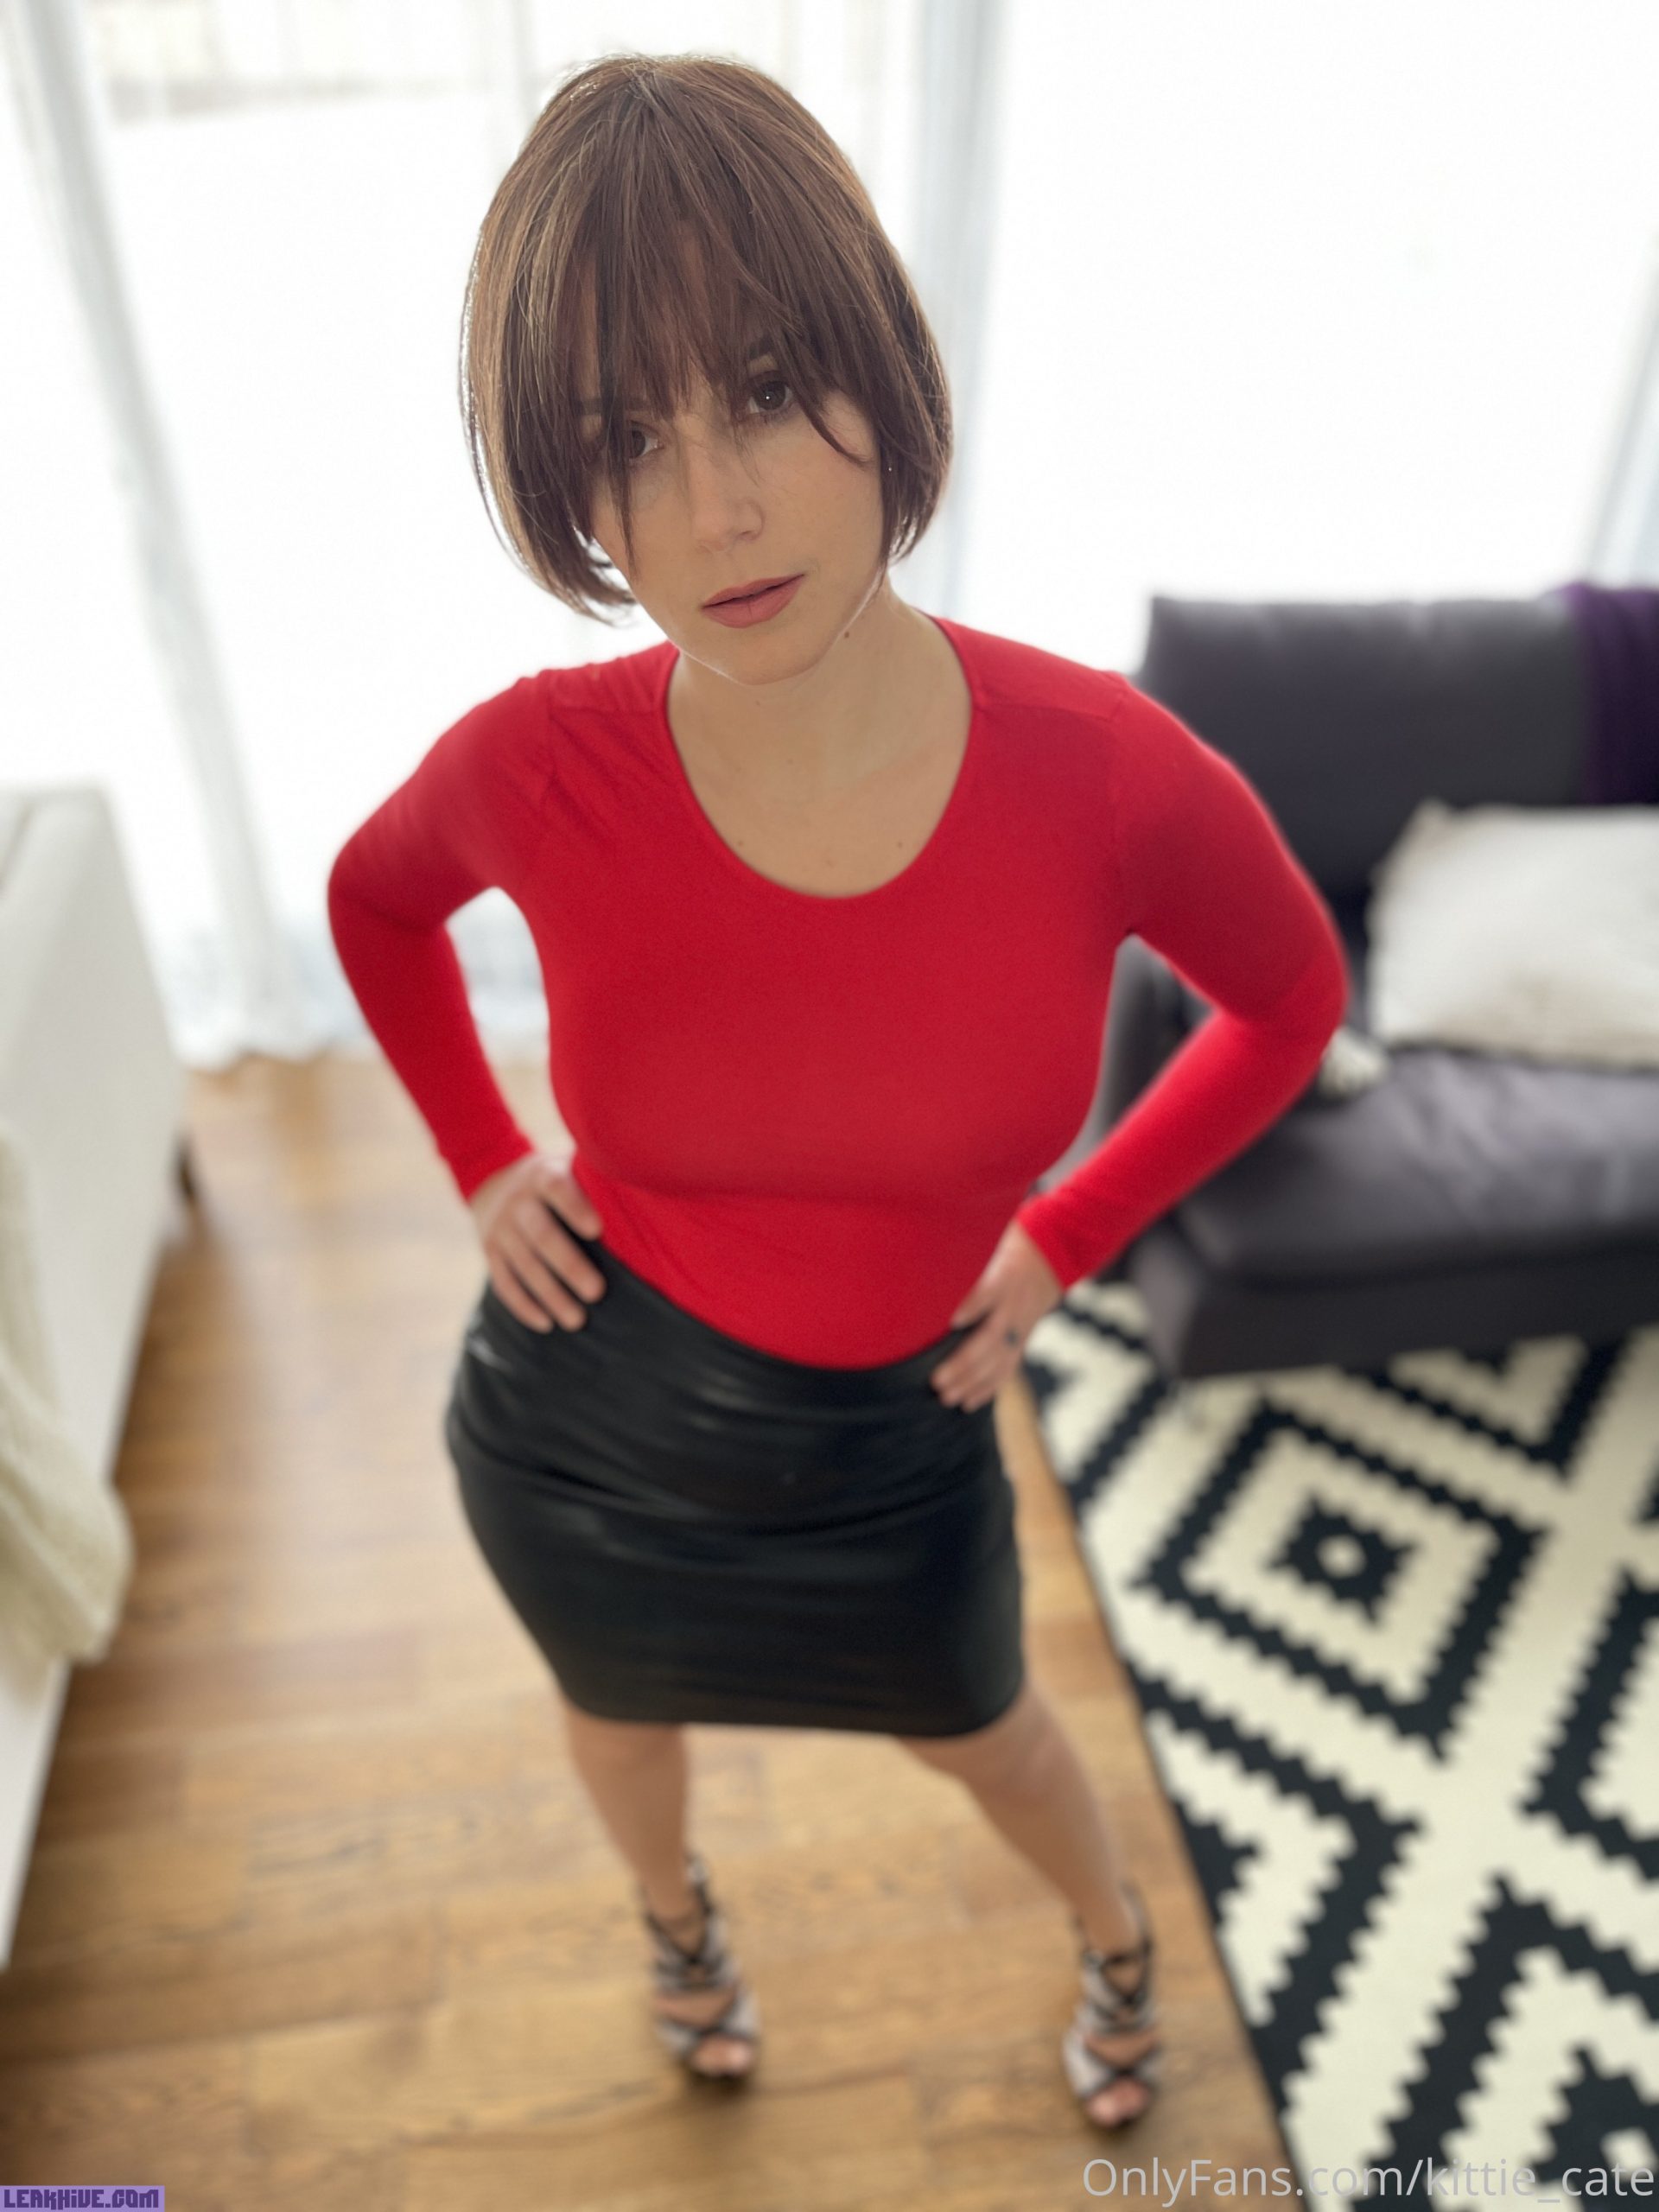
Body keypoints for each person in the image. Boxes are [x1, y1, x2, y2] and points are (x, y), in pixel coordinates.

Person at [326, 51, 1349, 2132]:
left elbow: (1290, 997)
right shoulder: (538, 763)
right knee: (617, 1712)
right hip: (587, 1416)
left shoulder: (1109, 775)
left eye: (772, 386)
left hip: (900, 1430)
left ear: (884, 362)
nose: (717, 508)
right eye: (628, 438)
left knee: (991, 1727)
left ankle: (1118, 1936)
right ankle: (677, 1922)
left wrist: (1065, 1236)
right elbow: (372, 903)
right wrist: (484, 1157)